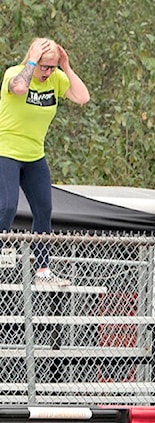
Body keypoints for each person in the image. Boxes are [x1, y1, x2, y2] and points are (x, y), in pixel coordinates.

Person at [0, 37, 90, 286]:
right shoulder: (15, 73)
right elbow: (19, 89)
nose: (48, 72)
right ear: (33, 60)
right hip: (6, 150)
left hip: (34, 156)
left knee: (43, 210)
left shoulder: (56, 79)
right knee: (7, 207)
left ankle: (42, 270)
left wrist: (67, 67)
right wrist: (31, 61)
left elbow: (82, 97)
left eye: (53, 67)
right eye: (44, 66)